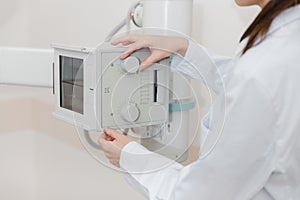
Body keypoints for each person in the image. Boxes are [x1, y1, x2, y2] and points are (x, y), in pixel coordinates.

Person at [98, 0, 300, 199]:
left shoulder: (264, 68)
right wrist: (183, 48)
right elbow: (241, 81)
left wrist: (132, 158)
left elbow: (201, 195)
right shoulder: (286, 42)